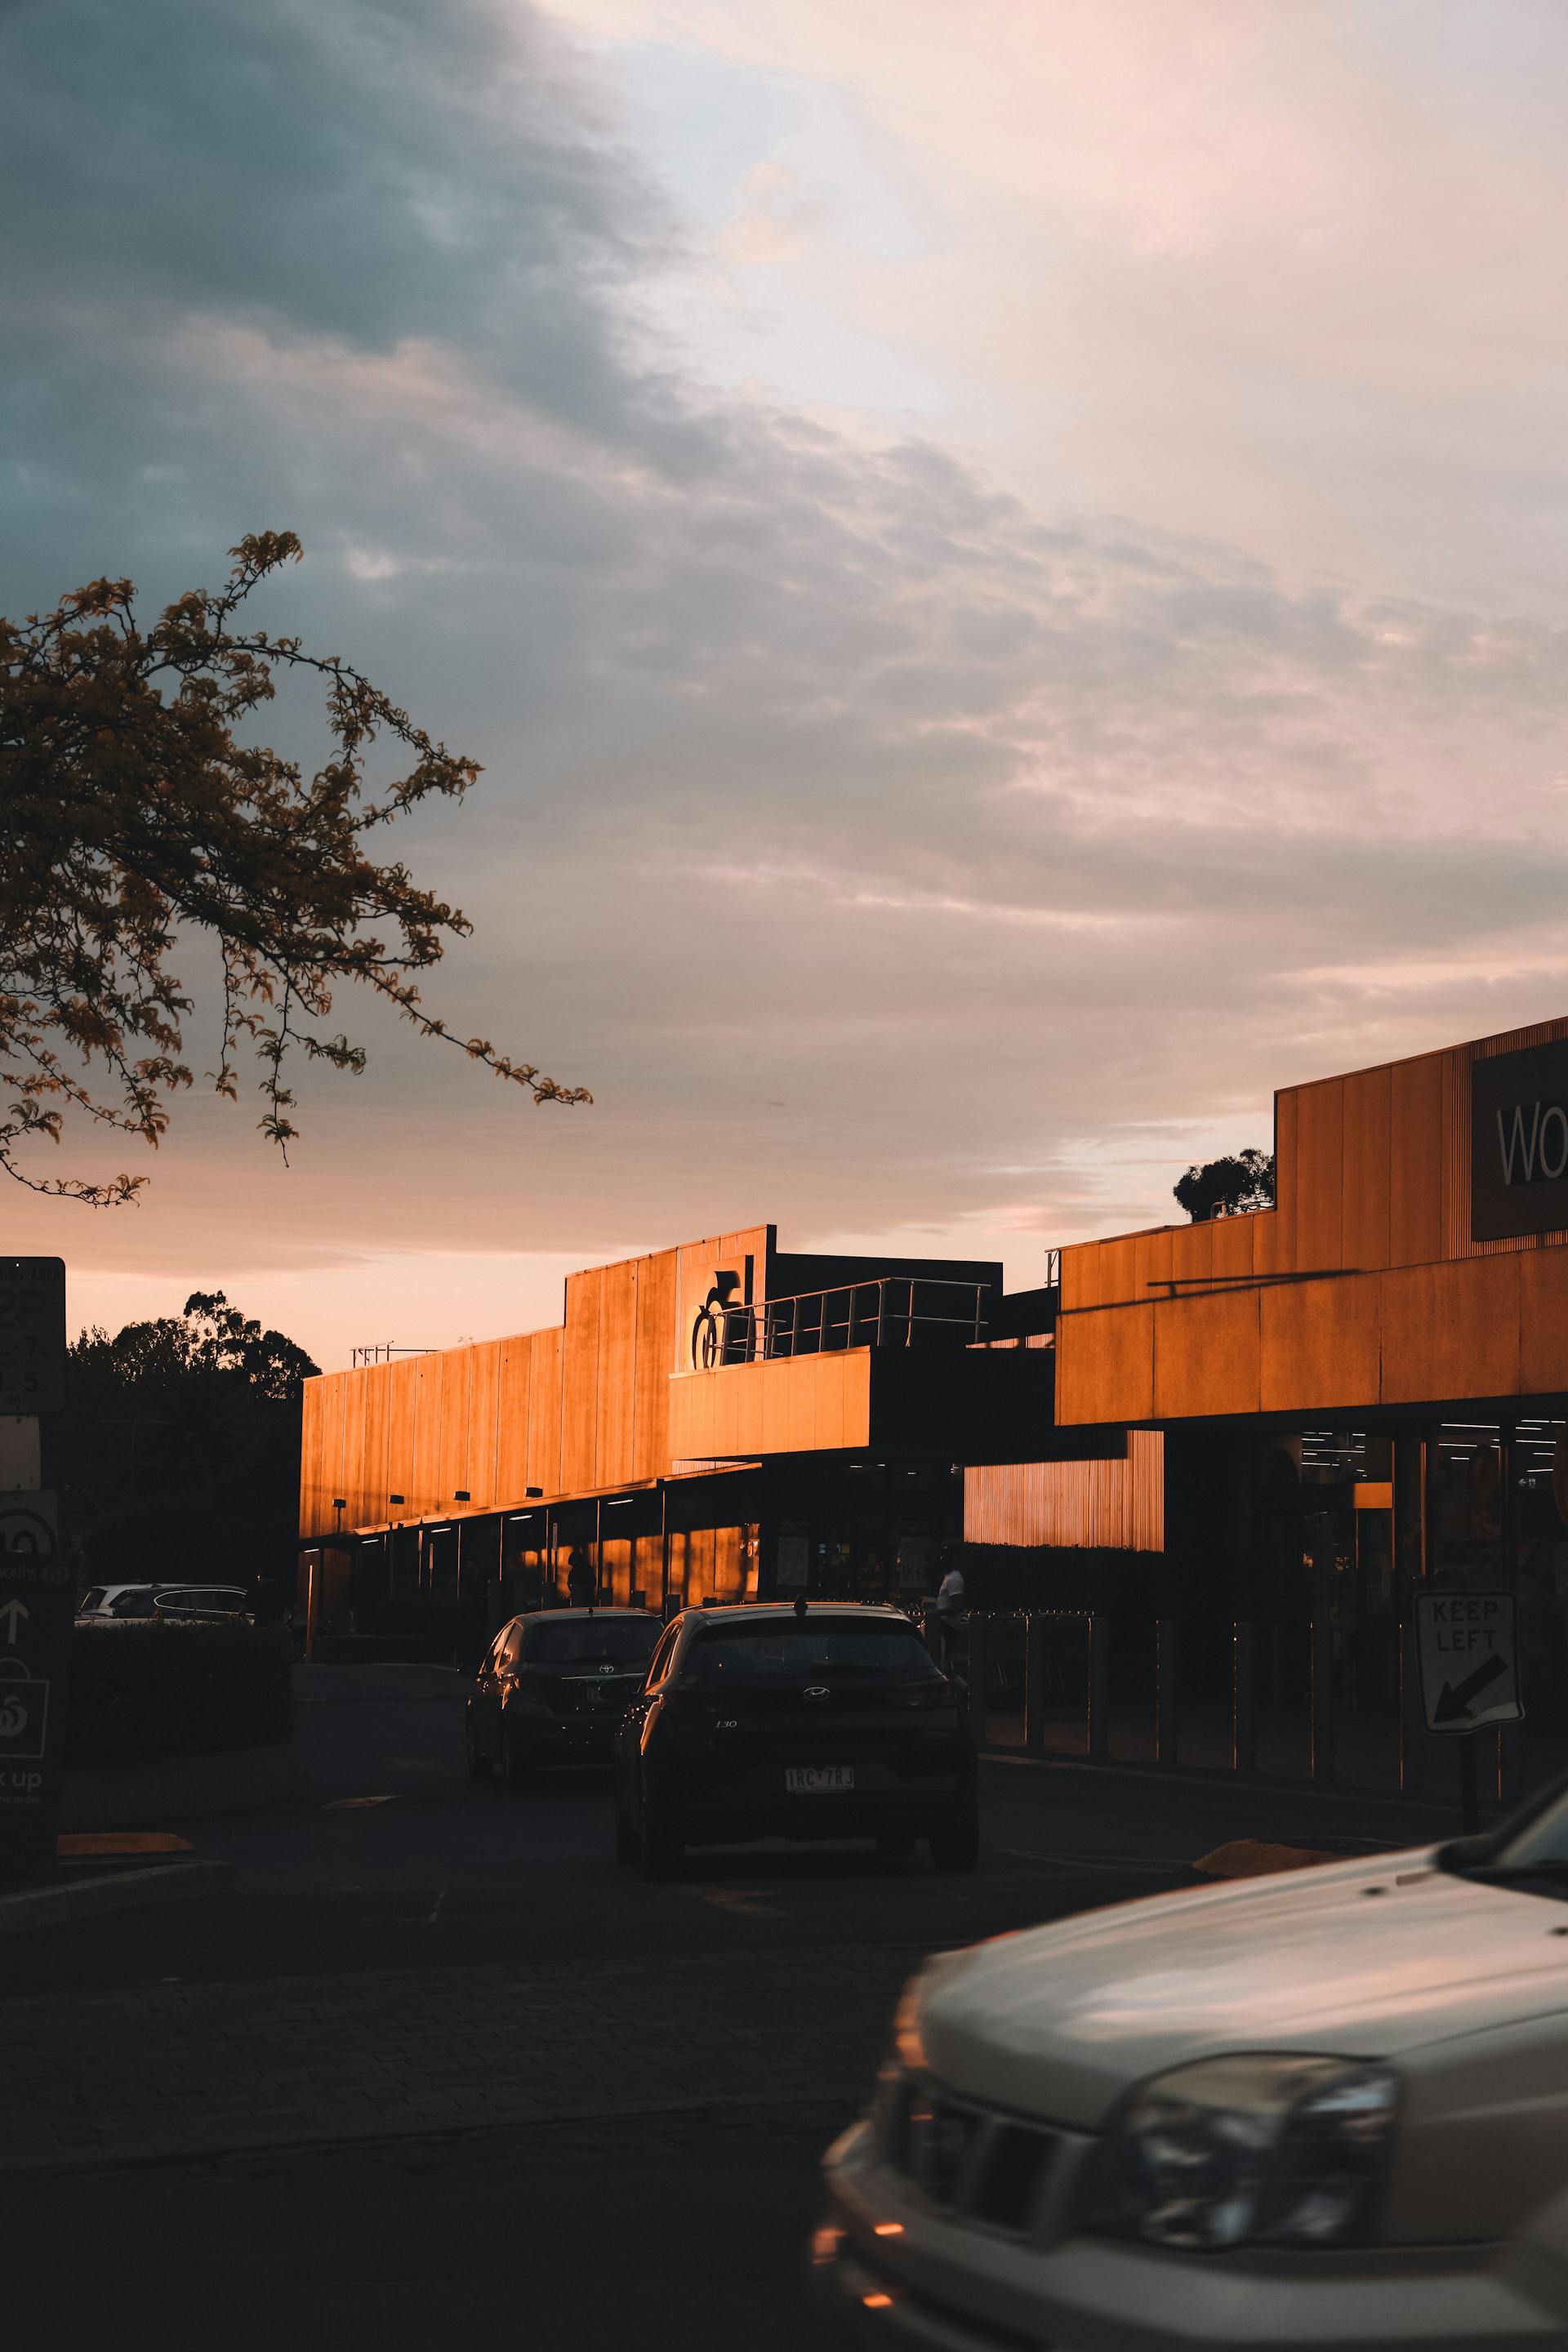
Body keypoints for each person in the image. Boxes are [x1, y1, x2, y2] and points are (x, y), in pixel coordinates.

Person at [935, 1553, 967, 1672]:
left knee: (942, 1658)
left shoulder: (953, 1579)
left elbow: (957, 1605)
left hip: (947, 1625)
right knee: (943, 1657)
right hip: (945, 1623)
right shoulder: (949, 1577)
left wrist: (938, 1613)